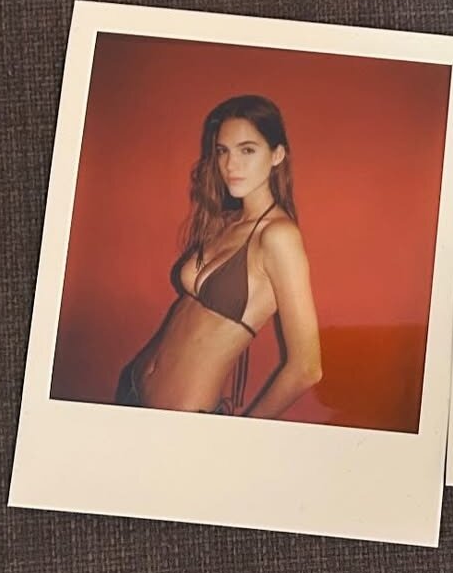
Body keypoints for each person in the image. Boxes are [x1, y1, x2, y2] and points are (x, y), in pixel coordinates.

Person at [117, 95, 323, 417]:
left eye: (247, 150)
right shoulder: (228, 222)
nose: (230, 165)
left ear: (277, 155)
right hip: (131, 386)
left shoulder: (279, 237)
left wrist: (240, 435)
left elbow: (307, 368)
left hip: (182, 420)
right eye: (223, 151)